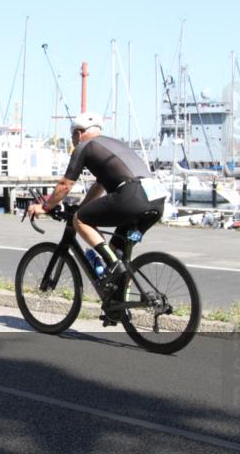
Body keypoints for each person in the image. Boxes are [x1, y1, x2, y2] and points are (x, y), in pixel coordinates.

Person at [27, 112, 166, 312]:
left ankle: (113, 265)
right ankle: (120, 308)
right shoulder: (112, 145)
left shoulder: (85, 146)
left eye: (72, 137)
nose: (73, 141)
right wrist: (83, 207)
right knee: (119, 253)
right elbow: (98, 186)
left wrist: (45, 207)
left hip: (132, 195)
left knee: (81, 221)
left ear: (78, 133)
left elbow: (65, 184)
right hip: (156, 200)